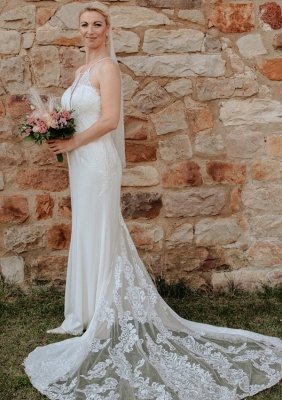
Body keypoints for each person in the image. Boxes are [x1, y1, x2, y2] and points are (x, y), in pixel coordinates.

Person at [24, 2, 282, 399]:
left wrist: (72, 141)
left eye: (97, 24)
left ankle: (102, 314)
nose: (90, 31)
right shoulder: (80, 72)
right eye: (84, 25)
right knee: (88, 229)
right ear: (79, 31)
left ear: (107, 30)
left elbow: (109, 120)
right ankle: (85, 312)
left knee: (102, 229)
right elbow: (75, 116)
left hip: (98, 164)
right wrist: (56, 134)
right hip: (79, 163)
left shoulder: (108, 69)